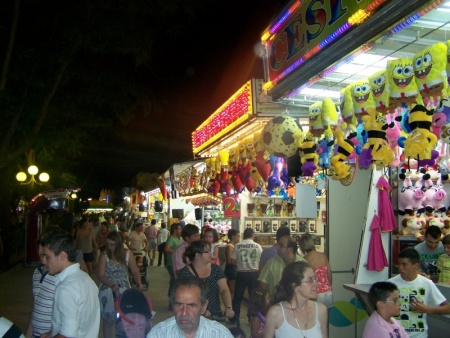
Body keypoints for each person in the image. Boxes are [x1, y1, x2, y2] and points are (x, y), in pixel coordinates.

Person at [39, 230, 100, 338]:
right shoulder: (86, 278)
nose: (43, 261)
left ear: (62, 256)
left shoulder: (65, 289)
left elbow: (68, 334)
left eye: (47, 257)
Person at [387, 247, 450, 338]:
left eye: (404, 264)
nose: (400, 268)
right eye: (399, 264)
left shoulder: (427, 283)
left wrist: (427, 310)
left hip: (419, 335)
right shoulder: (390, 284)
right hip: (395, 335)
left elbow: (447, 308)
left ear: (415, 266)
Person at [147, 277, 233, 338]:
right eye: (179, 305)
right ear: (173, 305)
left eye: (191, 305)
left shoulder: (220, 334)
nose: (184, 312)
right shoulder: (158, 334)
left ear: (204, 307)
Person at [263, 261, 328, 338]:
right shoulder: (276, 313)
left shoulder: (321, 310)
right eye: (310, 280)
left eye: (315, 279)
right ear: (295, 287)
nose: (317, 283)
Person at [98, 231, 143, 338]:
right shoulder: (104, 256)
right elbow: (100, 275)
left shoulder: (128, 254)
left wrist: (139, 283)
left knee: (125, 319)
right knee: (108, 321)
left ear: (119, 244)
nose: (109, 247)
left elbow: (135, 271)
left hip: (124, 290)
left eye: (112, 244)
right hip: (108, 291)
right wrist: (111, 285)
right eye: (108, 244)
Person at [177, 240, 234, 320]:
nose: (210, 254)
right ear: (198, 255)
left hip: (215, 314)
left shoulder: (215, 270)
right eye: (207, 252)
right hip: (192, 316)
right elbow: (181, 298)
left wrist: (228, 307)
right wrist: (201, 310)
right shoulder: (184, 273)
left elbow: (224, 289)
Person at [230, 228, 262, 327]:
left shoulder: (238, 246)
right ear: (252, 235)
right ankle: (252, 318)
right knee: (253, 297)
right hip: (253, 274)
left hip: (241, 274)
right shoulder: (258, 246)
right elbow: (260, 261)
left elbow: (232, 261)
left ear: (244, 235)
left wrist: (241, 263)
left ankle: (235, 318)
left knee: (238, 297)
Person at [299, 233, 333, 308]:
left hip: (315, 294)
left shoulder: (305, 259)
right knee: (326, 318)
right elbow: (329, 275)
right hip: (328, 292)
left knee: (315, 318)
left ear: (302, 246)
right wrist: (329, 287)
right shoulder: (323, 255)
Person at [165, 223, 182, 309]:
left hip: (176, 264)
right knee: (174, 282)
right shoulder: (171, 238)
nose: (180, 231)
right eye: (179, 229)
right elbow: (167, 248)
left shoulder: (178, 238)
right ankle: (171, 302)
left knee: (175, 282)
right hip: (172, 264)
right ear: (175, 230)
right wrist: (176, 253)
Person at [225, 229, 240, 298]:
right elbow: (229, 260)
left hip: (233, 269)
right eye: (238, 236)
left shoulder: (233, 246)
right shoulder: (229, 247)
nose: (239, 238)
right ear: (233, 236)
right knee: (232, 290)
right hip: (231, 269)